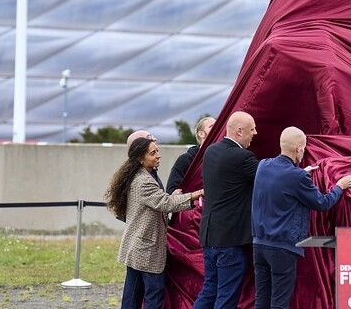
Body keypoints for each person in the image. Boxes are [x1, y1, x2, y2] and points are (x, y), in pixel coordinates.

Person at [252, 127, 351, 309]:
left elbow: (281, 181)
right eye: (304, 148)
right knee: (279, 304)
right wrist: (339, 186)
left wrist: (303, 173)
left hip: (259, 245)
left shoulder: (263, 166)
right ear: (298, 148)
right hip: (283, 248)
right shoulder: (296, 176)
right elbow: (322, 203)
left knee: (262, 301)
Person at [106, 136, 204, 309]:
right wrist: (196, 194)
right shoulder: (144, 181)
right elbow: (166, 203)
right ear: (140, 158)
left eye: (157, 151)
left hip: (137, 246)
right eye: (153, 153)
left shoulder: (141, 175)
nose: (158, 155)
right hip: (146, 248)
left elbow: (159, 201)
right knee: (155, 294)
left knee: (133, 295)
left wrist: (170, 197)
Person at [194, 111, 259, 309]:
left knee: (209, 290)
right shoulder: (243, 158)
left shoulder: (210, 151)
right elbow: (269, 178)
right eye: (252, 129)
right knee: (226, 298)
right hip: (231, 241)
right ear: (239, 131)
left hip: (209, 236)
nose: (255, 133)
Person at [167, 116, 215, 193]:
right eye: (212, 127)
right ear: (201, 134)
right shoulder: (185, 159)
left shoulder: (223, 158)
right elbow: (171, 190)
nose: (217, 129)